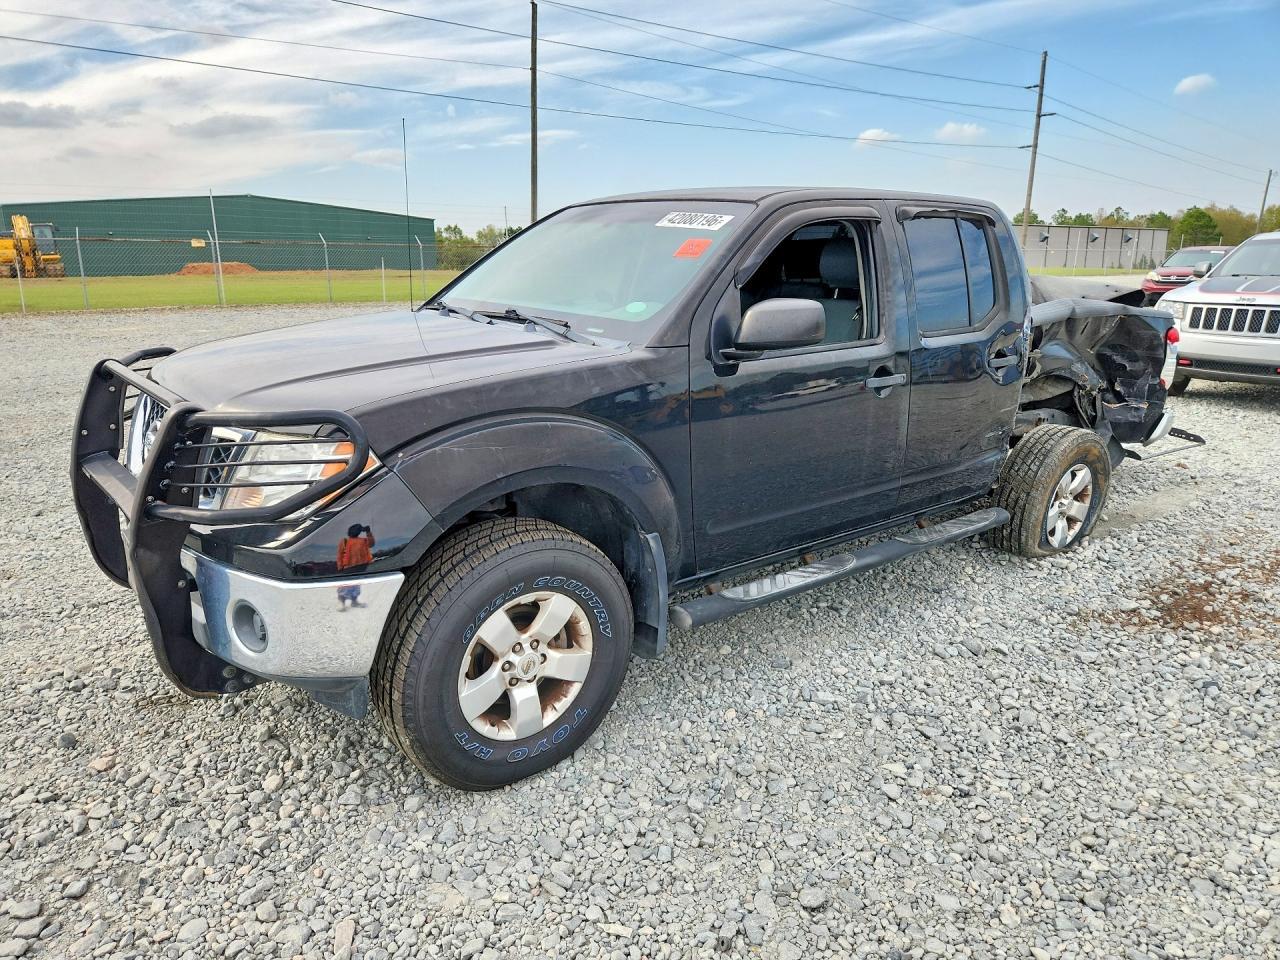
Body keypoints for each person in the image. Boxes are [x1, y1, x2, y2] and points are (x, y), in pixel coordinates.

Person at [336, 524, 375, 610]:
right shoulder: (345, 541)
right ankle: (342, 603)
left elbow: (371, 544)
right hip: (348, 568)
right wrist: (340, 567)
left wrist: (368, 532)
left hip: (361, 567)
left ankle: (354, 601)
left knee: (356, 586)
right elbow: (339, 555)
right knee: (345, 586)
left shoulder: (363, 540)